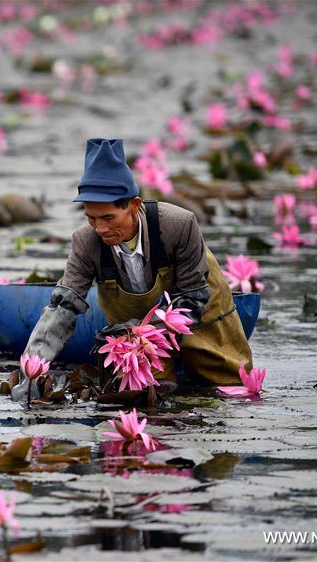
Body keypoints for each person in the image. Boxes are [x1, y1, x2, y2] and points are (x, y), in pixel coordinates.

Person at [14, 138, 252, 399]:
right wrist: (31, 373)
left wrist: (138, 329)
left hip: (200, 314)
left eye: (108, 218)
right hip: (139, 341)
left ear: (134, 206)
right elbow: (63, 307)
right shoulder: (85, 241)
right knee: (149, 396)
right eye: (91, 218)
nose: (100, 228)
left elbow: (192, 299)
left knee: (226, 387)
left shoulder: (179, 225)